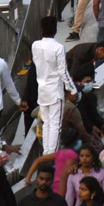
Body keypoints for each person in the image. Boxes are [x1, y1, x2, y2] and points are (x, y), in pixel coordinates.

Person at [31, 16, 76, 155]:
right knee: (55, 124)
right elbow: (63, 71)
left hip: (42, 90)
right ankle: (52, 153)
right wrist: (72, 89)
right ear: (55, 31)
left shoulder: (35, 45)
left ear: (41, 31)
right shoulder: (59, 48)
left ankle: (46, 152)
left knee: (46, 123)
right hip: (55, 91)